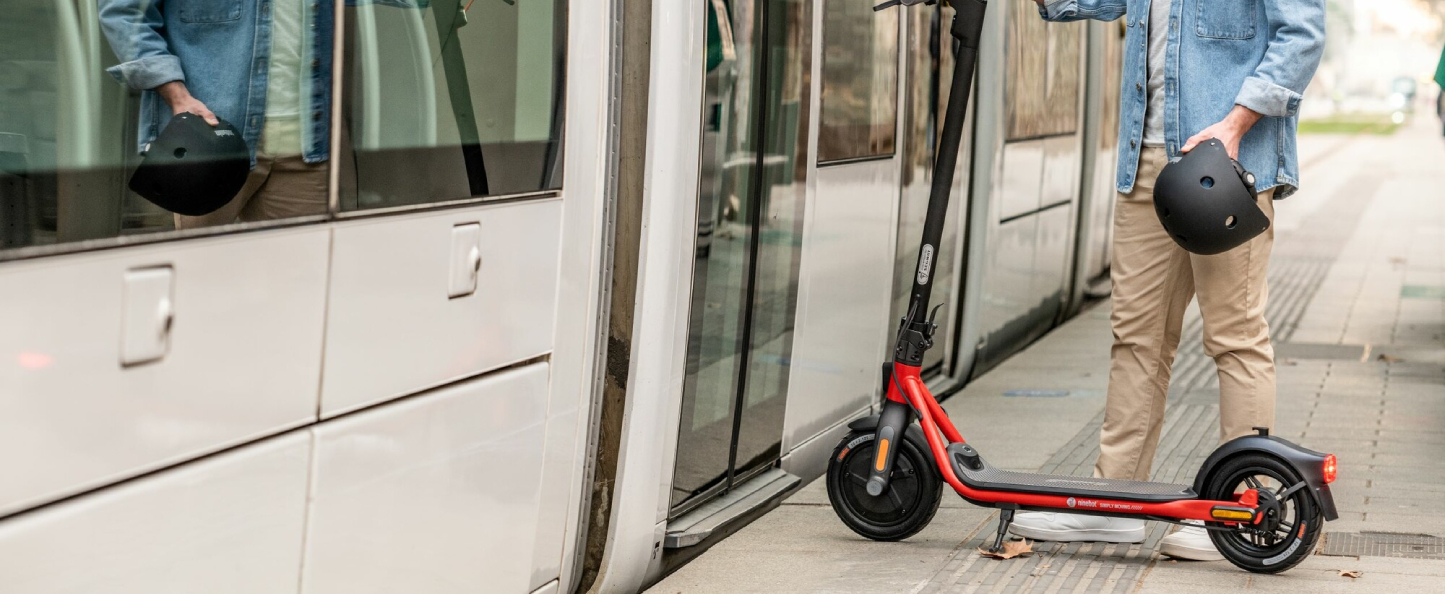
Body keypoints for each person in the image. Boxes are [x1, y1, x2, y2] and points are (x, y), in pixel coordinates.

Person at [1007, 0, 1325, 561]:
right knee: (1137, 337)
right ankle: (1114, 504)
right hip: (1146, 162)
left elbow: (1302, 34)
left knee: (1235, 336)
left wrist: (1235, 124)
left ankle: (1240, 508)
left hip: (1227, 164)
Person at [98, 0, 333, 228]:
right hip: (210, 142)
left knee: (303, 265)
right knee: (201, 263)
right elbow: (123, 12)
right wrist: (175, 94)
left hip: (307, 145)